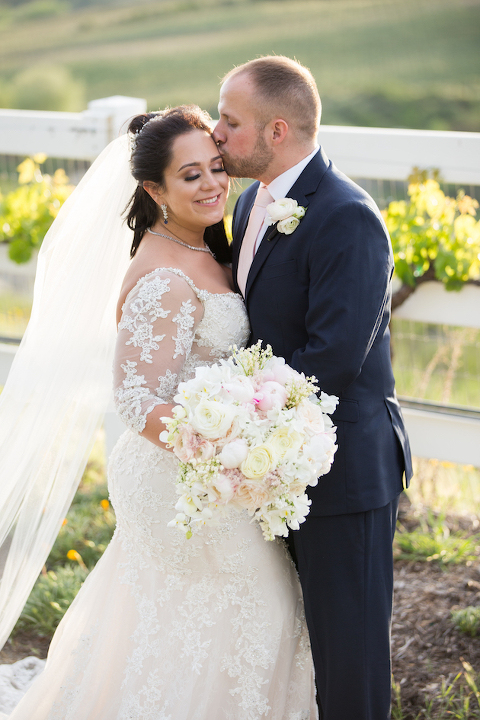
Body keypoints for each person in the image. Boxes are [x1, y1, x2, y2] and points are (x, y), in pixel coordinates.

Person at [0, 106, 317, 718]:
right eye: (190, 176)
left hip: (209, 473)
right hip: (181, 478)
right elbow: (138, 399)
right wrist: (231, 450)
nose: (213, 185)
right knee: (241, 612)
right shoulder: (165, 276)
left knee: (212, 617)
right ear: (154, 189)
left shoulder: (201, 248)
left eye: (218, 169)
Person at [213, 56, 413, 720]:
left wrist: (232, 421)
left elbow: (330, 359)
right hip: (276, 466)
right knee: (292, 647)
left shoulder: (348, 216)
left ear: (276, 130)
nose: (216, 133)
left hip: (345, 472)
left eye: (230, 121)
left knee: (348, 657)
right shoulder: (252, 203)